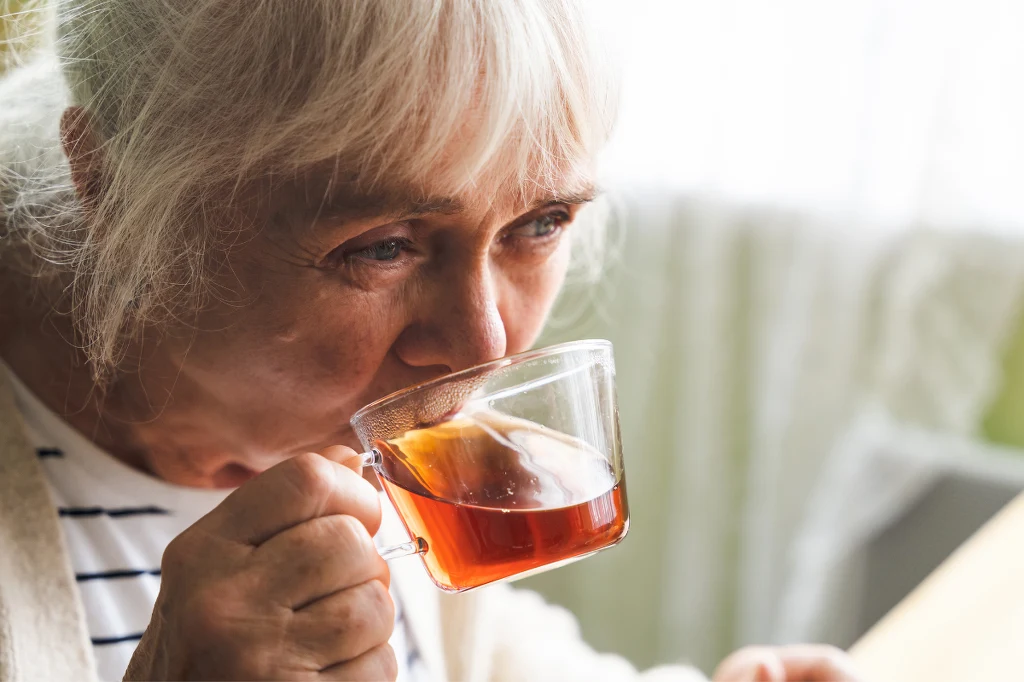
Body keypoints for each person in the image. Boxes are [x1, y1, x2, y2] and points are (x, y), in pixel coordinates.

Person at [0, 1, 863, 680]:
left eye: (541, 221)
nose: (481, 347)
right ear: (109, 189)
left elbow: (480, 659)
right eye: (383, 246)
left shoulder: (356, 441)